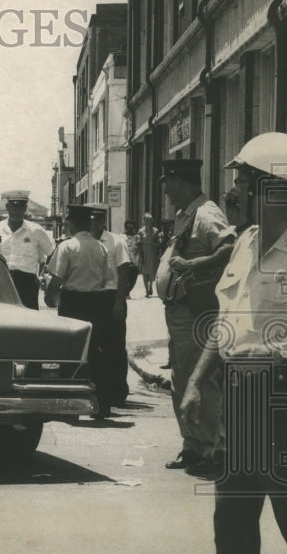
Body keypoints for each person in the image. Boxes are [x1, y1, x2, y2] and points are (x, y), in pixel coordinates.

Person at [181, 133, 287, 554]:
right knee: (232, 524)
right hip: (240, 401)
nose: (234, 195)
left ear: (278, 187)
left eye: (244, 184)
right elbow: (225, 322)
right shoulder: (244, 241)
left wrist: (275, 351)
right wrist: (197, 382)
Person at [154, 159, 236, 475]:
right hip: (178, 311)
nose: (164, 189)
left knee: (197, 381)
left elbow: (229, 247)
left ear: (182, 182)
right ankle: (193, 445)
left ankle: (209, 448)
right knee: (181, 379)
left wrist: (195, 266)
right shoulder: (186, 214)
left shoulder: (205, 213)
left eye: (168, 182)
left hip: (193, 310)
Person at [43, 204, 113, 418]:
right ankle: (102, 403)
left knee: (71, 352)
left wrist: (49, 296)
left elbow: (57, 277)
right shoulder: (100, 247)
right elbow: (106, 277)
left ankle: (70, 407)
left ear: (72, 224)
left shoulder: (67, 246)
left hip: (72, 301)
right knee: (94, 351)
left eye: (66, 223)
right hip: (94, 301)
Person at [90, 206, 138, 409]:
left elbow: (126, 270)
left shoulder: (116, 241)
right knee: (93, 347)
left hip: (111, 298)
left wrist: (120, 300)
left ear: (103, 221)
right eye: (90, 219)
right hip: (90, 298)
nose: (93, 223)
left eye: (97, 219)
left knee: (115, 348)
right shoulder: (83, 241)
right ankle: (98, 391)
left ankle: (118, 393)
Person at [0, 190, 54, 310]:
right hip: (1, 280)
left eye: (22, 207)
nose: (18, 211)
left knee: (27, 321)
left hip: (27, 282)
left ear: (25, 208)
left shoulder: (36, 230)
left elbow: (52, 253)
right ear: (7, 207)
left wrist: (42, 276)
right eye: (14, 207)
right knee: (1, 317)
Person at [135, 212, 162, 296]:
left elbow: (159, 243)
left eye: (149, 220)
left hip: (153, 254)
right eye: (146, 220)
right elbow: (138, 243)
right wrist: (140, 254)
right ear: (143, 221)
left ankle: (151, 285)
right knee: (144, 273)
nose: (148, 222)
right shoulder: (140, 231)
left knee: (151, 272)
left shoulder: (155, 230)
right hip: (144, 254)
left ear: (152, 221)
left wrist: (154, 243)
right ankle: (147, 290)